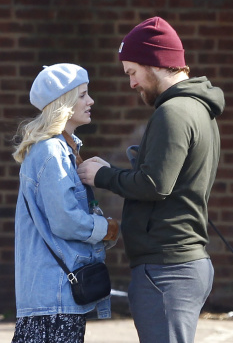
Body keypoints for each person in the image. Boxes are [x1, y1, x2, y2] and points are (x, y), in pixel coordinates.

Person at [77, 17, 225, 343]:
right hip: (178, 266)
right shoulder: (198, 109)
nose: (131, 83)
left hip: (167, 269)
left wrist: (102, 175)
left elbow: (156, 184)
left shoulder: (173, 112)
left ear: (155, 63)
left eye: (132, 72)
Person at [11, 63, 118, 343]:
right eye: (82, 95)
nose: (90, 100)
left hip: (54, 295)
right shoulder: (51, 151)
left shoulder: (63, 149)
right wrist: (105, 228)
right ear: (64, 103)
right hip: (54, 297)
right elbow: (65, 220)